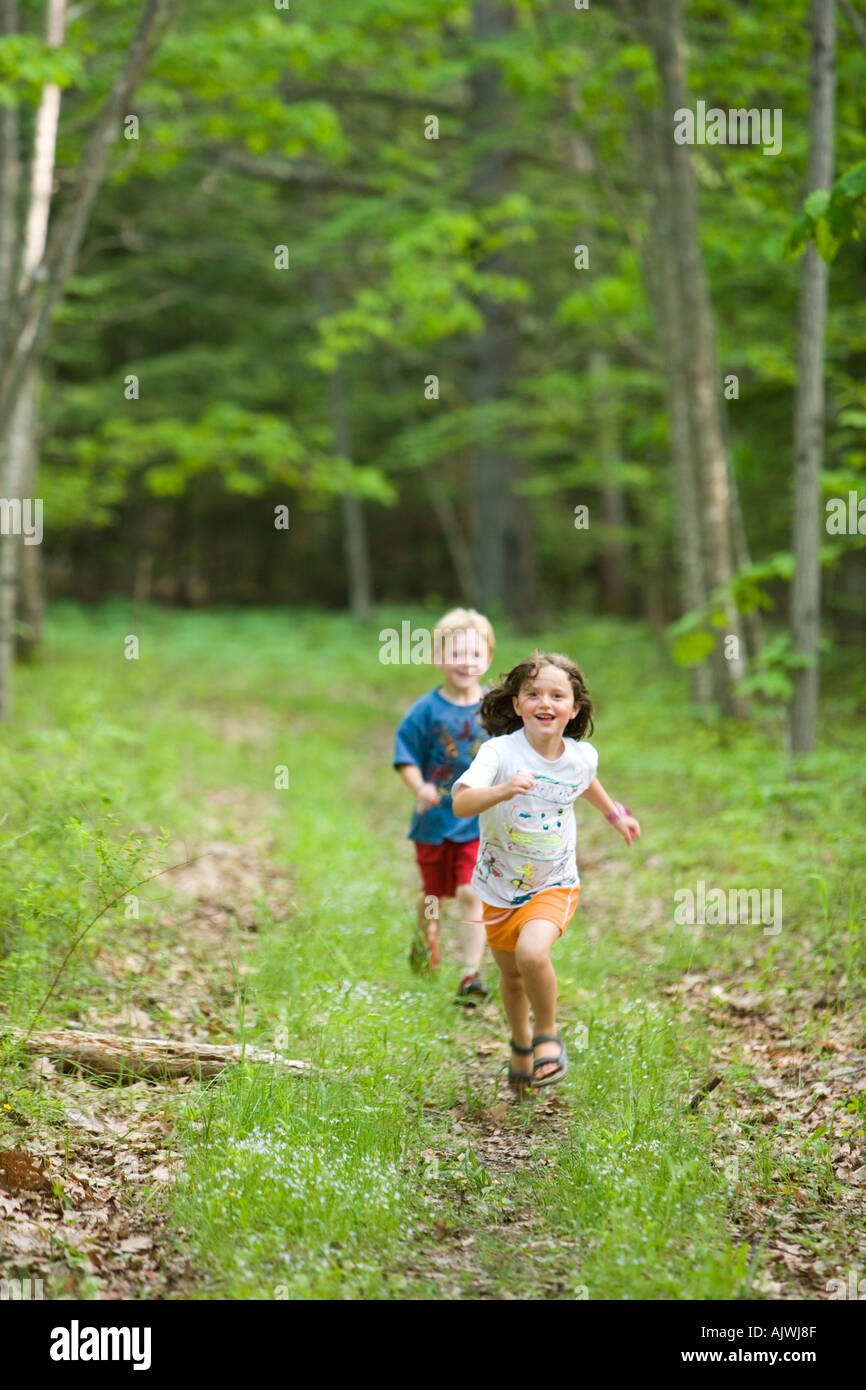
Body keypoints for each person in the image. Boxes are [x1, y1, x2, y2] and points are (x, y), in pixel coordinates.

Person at [451, 649, 640, 1087]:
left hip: (554, 882)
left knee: (532, 953)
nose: (545, 702)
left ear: (573, 709)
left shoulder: (579, 755)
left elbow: (584, 780)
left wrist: (615, 814)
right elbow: (461, 803)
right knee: (511, 977)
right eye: (533, 693)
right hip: (497, 888)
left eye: (557, 695)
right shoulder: (498, 753)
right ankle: (520, 1044)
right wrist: (499, 792)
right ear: (517, 704)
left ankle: (547, 1035)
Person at [393, 609, 495, 1006]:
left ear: (487, 658)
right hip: (434, 821)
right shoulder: (426, 710)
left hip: (479, 821)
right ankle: (424, 937)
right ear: (437, 658)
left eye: (475, 653)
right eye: (456, 653)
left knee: (472, 890)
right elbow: (406, 755)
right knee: (434, 897)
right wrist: (419, 787)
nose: (466, 662)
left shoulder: (496, 709)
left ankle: (470, 974)